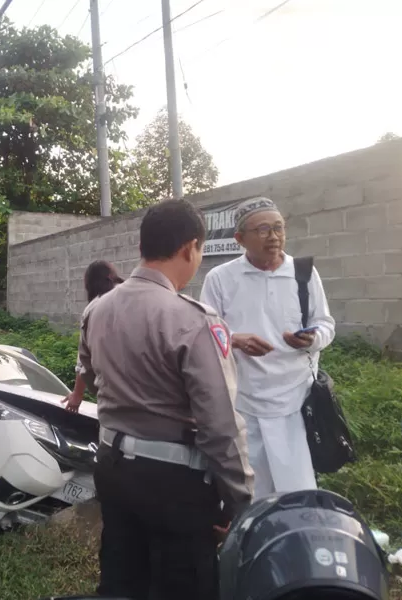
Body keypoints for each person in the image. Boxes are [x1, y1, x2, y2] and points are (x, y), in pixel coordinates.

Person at [80, 199, 254, 600]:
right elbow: (221, 427)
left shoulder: (97, 310)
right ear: (190, 248)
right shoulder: (195, 319)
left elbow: (91, 378)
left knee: (122, 578)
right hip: (173, 484)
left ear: (144, 247)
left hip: (112, 465)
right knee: (184, 584)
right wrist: (243, 503)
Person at [199, 196, 335, 499]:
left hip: (296, 401)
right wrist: (234, 339)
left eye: (278, 228)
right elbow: (204, 332)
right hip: (244, 403)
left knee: (298, 490)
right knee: (253, 491)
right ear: (240, 239)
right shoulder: (221, 278)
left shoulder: (304, 273)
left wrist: (312, 339)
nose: (273, 237)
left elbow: (326, 324)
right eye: (262, 230)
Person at [61, 260, 123, 413]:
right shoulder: (134, 298)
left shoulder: (93, 308)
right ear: (111, 277)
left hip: (113, 400)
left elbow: (84, 360)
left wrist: (77, 394)